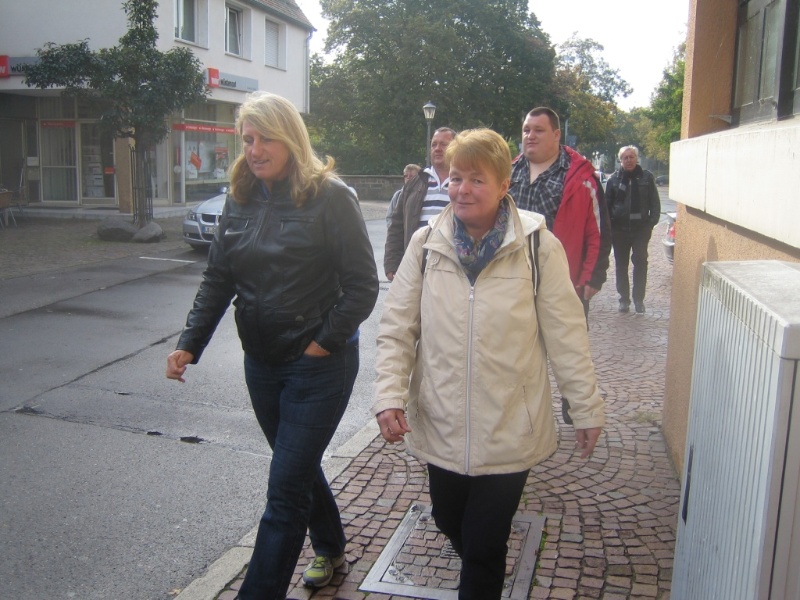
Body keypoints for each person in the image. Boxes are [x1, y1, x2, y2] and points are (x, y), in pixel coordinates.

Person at [372, 128, 604, 600]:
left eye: (477, 180)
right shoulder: (426, 244)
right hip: (442, 419)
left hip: (509, 425)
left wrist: (585, 407)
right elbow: (398, 328)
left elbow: (567, 334)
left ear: (503, 186)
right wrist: (389, 395)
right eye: (457, 178)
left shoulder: (538, 247)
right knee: (447, 518)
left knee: (483, 544)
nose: (462, 189)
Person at [165, 92, 379, 599]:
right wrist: (189, 343)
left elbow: (362, 286)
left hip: (317, 367)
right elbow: (218, 278)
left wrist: (322, 344)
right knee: (295, 468)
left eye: (265, 139)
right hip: (260, 362)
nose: (254, 150)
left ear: (290, 139)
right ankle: (331, 546)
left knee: (284, 490)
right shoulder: (240, 195)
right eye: (247, 139)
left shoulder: (330, 197)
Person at [509, 107, 611, 319]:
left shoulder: (582, 178)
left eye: (539, 130)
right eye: (526, 130)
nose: (530, 136)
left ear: (556, 135)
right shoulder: (508, 172)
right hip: (512, 283)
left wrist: (593, 275)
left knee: (564, 339)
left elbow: (598, 232)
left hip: (561, 284)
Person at [384, 127, 456, 280]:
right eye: (434, 144)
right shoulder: (416, 183)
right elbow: (397, 225)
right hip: (415, 268)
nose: (437, 148)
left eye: (443, 144)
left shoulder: (463, 183)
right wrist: (392, 264)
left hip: (451, 271)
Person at [605, 145, 661, 313]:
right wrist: (610, 225)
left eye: (631, 157)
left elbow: (655, 203)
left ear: (637, 159)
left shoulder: (647, 177)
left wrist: (650, 223)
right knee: (621, 265)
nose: (628, 160)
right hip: (619, 230)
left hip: (640, 230)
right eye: (625, 158)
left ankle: (638, 300)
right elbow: (606, 205)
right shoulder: (613, 179)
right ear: (620, 160)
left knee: (641, 263)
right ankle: (624, 299)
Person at [386, 163, 421, 228]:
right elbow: (389, 217)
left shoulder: (422, 195)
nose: (408, 178)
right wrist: (394, 229)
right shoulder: (398, 195)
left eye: (411, 176)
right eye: (406, 176)